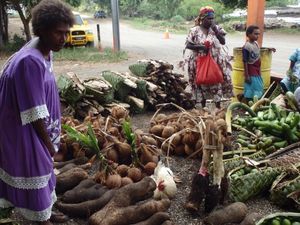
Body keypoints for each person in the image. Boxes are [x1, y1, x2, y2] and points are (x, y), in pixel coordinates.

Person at [0, 0, 74, 224]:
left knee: (45, 171)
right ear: (41, 30)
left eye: (65, 32)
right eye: (58, 33)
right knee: (36, 168)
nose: (63, 38)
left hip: (35, 125)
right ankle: (42, 219)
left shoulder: (42, 48)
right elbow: (32, 114)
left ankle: (47, 210)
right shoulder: (29, 61)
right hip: (23, 128)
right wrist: (48, 145)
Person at [183, 6, 234, 109]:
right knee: (201, 82)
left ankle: (218, 106)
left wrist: (215, 31)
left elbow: (223, 41)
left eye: (212, 18)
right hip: (199, 61)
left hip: (215, 61)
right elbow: (188, 45)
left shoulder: (217, 29)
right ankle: (203, 107)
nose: (211, 20)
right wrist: (201, 47)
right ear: (202, 18)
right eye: (209, 18)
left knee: (216, 81)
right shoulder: (194, 30)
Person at [240, 25, 263, 103]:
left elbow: (258, 52)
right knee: (252, 89)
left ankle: (252, 104)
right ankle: (248, 105)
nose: (257, 36)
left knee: (257, 88)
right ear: (248, 34)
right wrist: (247, 75)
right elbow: (245, 61)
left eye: (258, 34)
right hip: (251, 71)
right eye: (255, 34)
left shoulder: (256, 43)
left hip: (257, 70)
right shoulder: (246, 47)